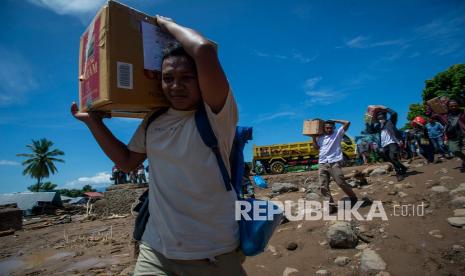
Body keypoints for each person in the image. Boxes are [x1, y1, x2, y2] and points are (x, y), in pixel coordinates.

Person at [71, 16, 245, 275]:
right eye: (168, 78)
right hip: (156, 249)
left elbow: (204, 50)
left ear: (201, 79)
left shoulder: (217, 114)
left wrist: (168, 26)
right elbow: (127, 162)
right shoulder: (153, 121)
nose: (175, 86)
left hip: (213, 252)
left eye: (186, 77)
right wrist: (91, 122)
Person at [311, 120, 360, 214]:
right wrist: (313, 137)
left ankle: (353, 197)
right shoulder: (320, 137)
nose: (328, 129)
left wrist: (334, 120)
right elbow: (316, 148)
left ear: (334, 127)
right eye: (326, 128)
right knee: (323, 186)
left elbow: (347, 122)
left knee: (340, 182)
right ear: (324, 128)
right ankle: (331, 207)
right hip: (322, 163)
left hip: (334, 162)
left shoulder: (338, 133)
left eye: (330, 127)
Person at [366, 107, 408, 181]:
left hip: (393, 142)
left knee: (393, 157)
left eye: (381, 115)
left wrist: (384, 108)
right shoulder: (378, 126)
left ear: (385, 116)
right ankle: (403, 167)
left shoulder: (391, 121)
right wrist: (368, 119)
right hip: (384, 145)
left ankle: (399, 173)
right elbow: (370, 131)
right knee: (389, 158)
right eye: (378, 116)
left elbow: (394, 113)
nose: (380, 117)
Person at [434, 99, 465, 172]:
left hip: (463, 134)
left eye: (455, 105)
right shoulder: (445, 115)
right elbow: (432, 115)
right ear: (448, 107)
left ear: (458, 105)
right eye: (451, 106)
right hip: (452, 136)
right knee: (454, 150)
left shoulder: (463, 113)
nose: (453, 107)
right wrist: (432, 107)